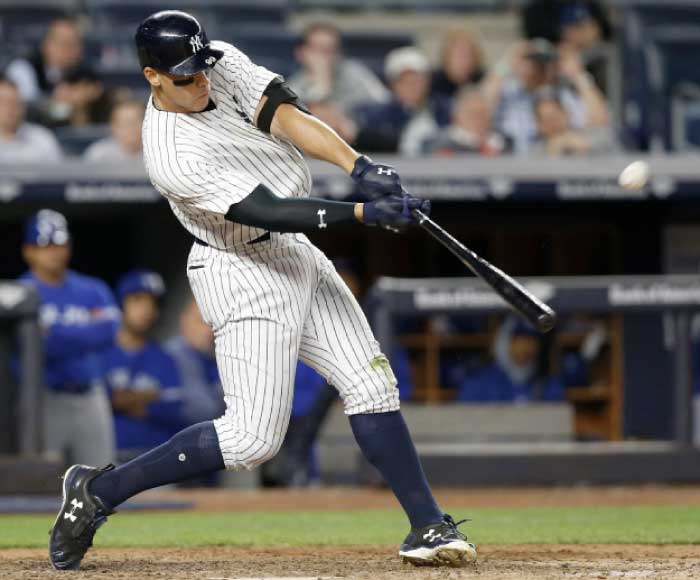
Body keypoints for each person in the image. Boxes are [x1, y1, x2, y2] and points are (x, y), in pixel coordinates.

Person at [48, 10, 475, 571]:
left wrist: (359, 165)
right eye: (184, 76)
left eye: (201, 67)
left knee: (372, 385)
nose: (200, 80)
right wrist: (364, 210)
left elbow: (285, 115)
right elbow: (265, 210)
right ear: (152, 76)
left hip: (295, 253)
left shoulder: (218, 61)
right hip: (241, 267)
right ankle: (99, 492)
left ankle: (427, 526)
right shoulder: (170, 151)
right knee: (252, 440)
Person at [19, 210, 119, 466]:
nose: (54, 251)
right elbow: (34, 347)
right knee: (41, 478)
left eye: (60, 243)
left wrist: (54, 334)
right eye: (46, 245)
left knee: (101, 475)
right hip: (43, 398)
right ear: (29, 251)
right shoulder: (19, 292)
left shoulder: (92, 289)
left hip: (90, 395)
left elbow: (109, 332)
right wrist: (84, 333)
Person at [102, 270, 189, 460]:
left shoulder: (164, 358)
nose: (147, 309)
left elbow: (174, 410)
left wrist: (123, 400)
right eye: (138, 300)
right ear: (120, 304)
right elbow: (99, 404)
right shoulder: (100, 354)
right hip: (108, 458)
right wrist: (148, 397)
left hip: (154, 460)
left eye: (153, 302)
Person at [480, 38, 609, 154]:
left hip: (561, 158)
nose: (539, 68)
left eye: (544, 62)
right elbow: (482, 103)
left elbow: (599, 119)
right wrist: (507, 63)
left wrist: (578, 74)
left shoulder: (565, 95)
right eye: (533, 62)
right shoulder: (510, 90)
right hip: (516, 160)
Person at [5, 18, 112, 127]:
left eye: (73, 44)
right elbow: (24, 105)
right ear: (46, 45)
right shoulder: (23, 67)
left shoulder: (85, 72)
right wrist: (55, 98)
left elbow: (98, 91)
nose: (66, 49)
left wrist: (86, 95)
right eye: (61, 42)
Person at [354, 47, 451, 155]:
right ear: (392, 85)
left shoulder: (445, 109)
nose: (412, 86)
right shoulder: (377, 117)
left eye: (417, 80)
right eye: (404, 81)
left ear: (427, 82)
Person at [288, 22, 389, 115]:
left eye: (331, 48)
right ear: (300, 53)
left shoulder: (354, 72)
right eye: (318, 48)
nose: (325, 55)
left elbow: (383, 102)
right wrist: (321, 86)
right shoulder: (294, 86)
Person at [457, 317, 564, 403]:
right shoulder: (478, 384)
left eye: (532, 339)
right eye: (519, 339)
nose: (525, 346)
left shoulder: (549, 384)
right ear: (504, 342)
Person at [164, 296, 224, 425]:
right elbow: (206, 411)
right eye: (202, 322)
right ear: (184, 321)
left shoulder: (214, 357)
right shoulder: (172, 356)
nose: (209, 331)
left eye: (214, 324)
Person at [422, 88, 511, 156]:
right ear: (456, 116)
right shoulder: (437, 143)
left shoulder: (505, 142)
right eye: (472, 113)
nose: (478, 119)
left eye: (483, 113)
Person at [532, 86, 617, 156]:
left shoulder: (593, 135)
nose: (553, 123)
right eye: (547, 120)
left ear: (566, 114)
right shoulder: (536, 150)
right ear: (539, 125)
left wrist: (582, 145)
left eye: (555, 117)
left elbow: (606, 142)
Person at [0, 77, 63, 163]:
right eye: (4, 102)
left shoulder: (43, 139)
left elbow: (58, 173)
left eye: (16, 102)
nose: (11, 108)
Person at [431, 28, 486, 99]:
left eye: (467, 55)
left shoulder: (481, 80)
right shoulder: (434, 82)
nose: (463, 61)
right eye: (458, 55)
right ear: (447, 57)